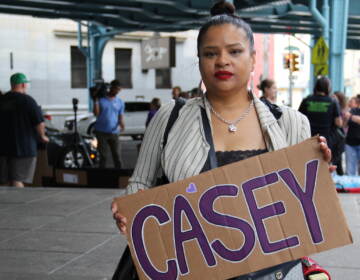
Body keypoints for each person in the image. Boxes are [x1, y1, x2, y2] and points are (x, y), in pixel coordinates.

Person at [111, 1, 333, 279]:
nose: (222, 61)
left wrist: (320, 176)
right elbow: (140, 182)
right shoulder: (170, 117)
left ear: (253, 58)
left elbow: (304, 210)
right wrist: (130, 210)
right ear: (199, 60)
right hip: (187, 270)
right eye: (210, 53)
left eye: (235, 51)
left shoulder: (290, 122)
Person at [0, 73, 49, 187]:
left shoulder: (2, 100)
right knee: (17, 179)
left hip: (2, 148)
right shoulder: (27, 101)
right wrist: (42, 136)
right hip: (23, 148)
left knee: (5, 181)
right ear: (23, 84)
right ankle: (18, 204)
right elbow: (39, 122)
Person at [299, 76, 342, 150]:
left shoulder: (306, 100)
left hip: (308, 137)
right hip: (326, 139)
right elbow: (338, 123)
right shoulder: (333, 101)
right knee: (324, 160)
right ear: (328, 88)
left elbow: (299, 118)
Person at [93, 79, 125, 168]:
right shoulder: (101, 100)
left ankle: (120, 176)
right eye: (116, 89)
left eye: (119, 90)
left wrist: (122, 124)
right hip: (101, 132)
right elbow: (96, 113)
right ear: (112, 88)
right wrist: (95, 100)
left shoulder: (120, 102)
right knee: (103, 156)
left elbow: (120, 116)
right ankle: (102, 175)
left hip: (114, 132)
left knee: (117, 155)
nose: (118, 91)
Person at [344, 95, 360, 175]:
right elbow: (344, 125)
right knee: (350, 170)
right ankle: (351, 187)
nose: (350, 103)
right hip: (350, 143)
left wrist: (350, 116)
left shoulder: (351, 113)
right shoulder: (352, 110)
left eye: (351, 102)